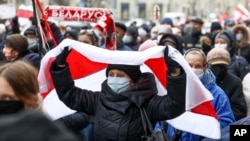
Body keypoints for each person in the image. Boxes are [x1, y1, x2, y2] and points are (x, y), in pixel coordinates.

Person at [49, 46, 187, 141]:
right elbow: (69, 94)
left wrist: (175, 75)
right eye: (111, 74)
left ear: (133, 81)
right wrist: (60, 68)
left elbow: (175, 105)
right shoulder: (98, 100)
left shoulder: (147, 102)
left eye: (120, 75)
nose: (114, 78)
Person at [164, 48, 235, 141]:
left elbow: (226, 127)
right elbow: (161, 118)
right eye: (189, 65)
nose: (193, 69)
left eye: (197, 66)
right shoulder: (174, 89)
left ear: (204, 67)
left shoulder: (217, 95)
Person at [207, 47, 247, 120]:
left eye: (221, 65)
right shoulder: (203, 80)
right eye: (215, 65)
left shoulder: (234, 82)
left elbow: (239, 110)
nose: (218, 69)